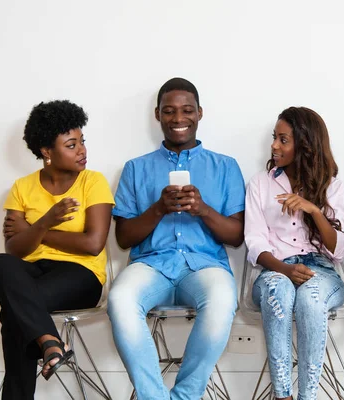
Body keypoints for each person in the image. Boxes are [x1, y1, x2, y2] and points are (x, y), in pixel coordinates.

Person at [107, 77, 246, 400]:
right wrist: (157, 209)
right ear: (157, 115)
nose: (178, 119)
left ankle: (185, 395)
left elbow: (237, 237)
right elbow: (124, 238)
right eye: (169, 111)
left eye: (186, 110)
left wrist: (203, 210)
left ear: (200, 113)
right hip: (151, 265)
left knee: (223, 299)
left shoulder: (225, 167)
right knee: (120, 299)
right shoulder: (135, 168)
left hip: (204, 266)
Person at [0, 100, 115, 399]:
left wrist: (36, 231)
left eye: (82, 142)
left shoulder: (93, 182)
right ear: (46, 152)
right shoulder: (22, 187)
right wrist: (45, 221)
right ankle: (51, 344)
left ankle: (47, 346)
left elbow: (93, 243)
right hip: (33, 271)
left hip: (81, 274)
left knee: (15, 312)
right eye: (71, 145)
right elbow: (14, 249)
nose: (82, 150)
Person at [245, 107, 344, 400]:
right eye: (274, 138)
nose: (274, 146)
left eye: (283, 140)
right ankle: (282, 395)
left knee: (311, 298)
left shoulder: (332, 186)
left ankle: (308, 396)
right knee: (279, 290)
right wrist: (284, 269)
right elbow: (255, 244)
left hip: (322, 271)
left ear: (304, 145)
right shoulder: (260, 183)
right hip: (275, 269)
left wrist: (315, 211)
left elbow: (342, 249)